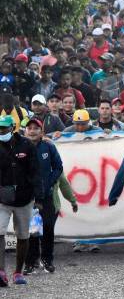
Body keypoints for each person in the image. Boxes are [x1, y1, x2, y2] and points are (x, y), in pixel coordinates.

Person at [0, 115, 43, 286]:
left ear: (12, 128)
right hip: (2, 198)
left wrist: (39, 199)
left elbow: (36, 172)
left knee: (23, 236)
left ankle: (18, 271)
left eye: (3, 128)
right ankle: (1, 271)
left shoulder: (27, 145)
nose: (1, 131)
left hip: (25, 199)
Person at [23, 118, 63, 275]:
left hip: (46, 195)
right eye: (29, 128)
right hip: (28, 197)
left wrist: (49, 182)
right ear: (25, 131)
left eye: (36, 128)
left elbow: (58, 167)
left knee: (47, 227)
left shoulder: (48, 146)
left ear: (41, 131)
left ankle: (47, 260)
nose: (32, 131)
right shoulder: (20, 146)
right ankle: (31, 262)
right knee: (32, 231)